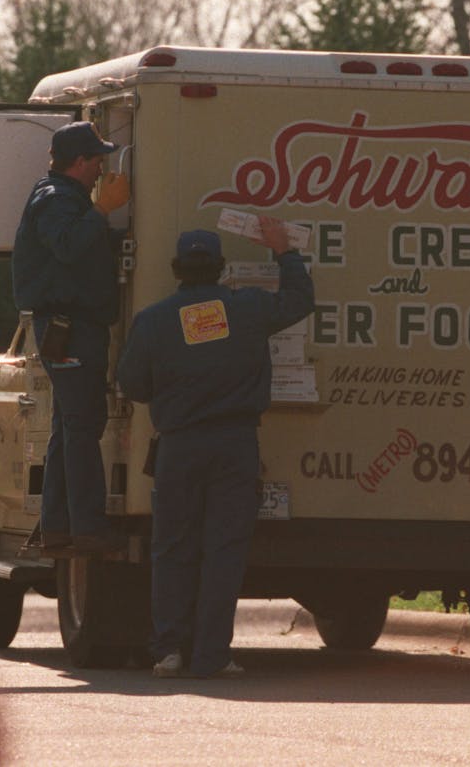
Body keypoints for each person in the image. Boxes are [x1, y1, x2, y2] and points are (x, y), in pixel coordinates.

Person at [116, 223, 313, 678]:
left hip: (179, 445)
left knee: (172, 548)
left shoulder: (154, 320)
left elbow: (131, 383)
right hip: (234, 444)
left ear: (178, 270)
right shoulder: (246, 309)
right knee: (224, 549)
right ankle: (212, 655)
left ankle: (169, 649)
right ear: (221, 268)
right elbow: (299, 300)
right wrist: (284, 252)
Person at [11, 121, 130, 554]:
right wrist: (102, 211)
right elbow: (67, 245)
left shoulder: (63, 197)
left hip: (72, 327)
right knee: (82, 427)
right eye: (97, 160)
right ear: (79, 162)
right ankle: (87, 529)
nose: (101, 169)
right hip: (70, 328)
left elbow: (81, 245)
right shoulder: (56, 198)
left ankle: (58, 525)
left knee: (69, 426)